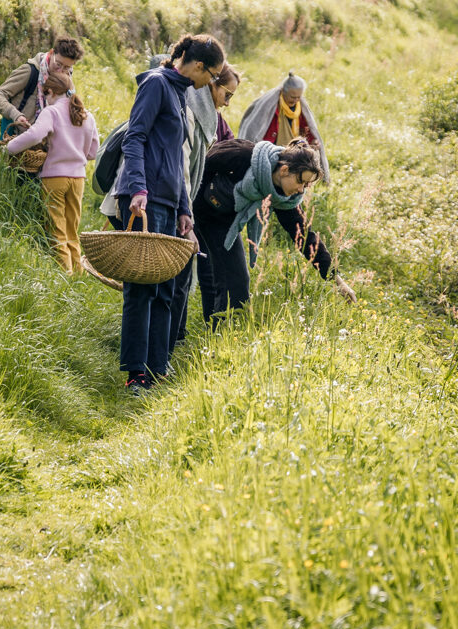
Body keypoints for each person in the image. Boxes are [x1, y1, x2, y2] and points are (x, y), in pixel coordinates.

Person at [113, 33, 226, 395]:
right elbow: (135, 138)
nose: (212, 83)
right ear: (198, 65)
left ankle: (157, 368)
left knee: (166, 289)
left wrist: (184, 209)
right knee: (141, 289)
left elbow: (177, 159)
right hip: (145, 199)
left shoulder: (179, 93)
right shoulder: (156, 85)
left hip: (169, 203)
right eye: (212, 75)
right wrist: (138, 188)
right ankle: (135, 374)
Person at [193, 139, 355, 324]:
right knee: (231, 281)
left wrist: (337, 280)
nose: (301, 190)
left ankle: (214, 333)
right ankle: (206, 332)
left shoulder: (284, 197)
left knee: (226, 278)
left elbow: (304, 236)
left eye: (306, 186)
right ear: (284, 170)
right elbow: (199, 165)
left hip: (224, 222)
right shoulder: (243, 155)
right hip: (195, 210)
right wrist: (186, 211)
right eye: (300, 181)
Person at [168, 62, 242, 355]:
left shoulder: (218, 122)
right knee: (182, 269)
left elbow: (228, 149)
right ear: (212, 84)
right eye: (227, 94)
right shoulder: (189, 112)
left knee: (207, 268)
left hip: (207, 206)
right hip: (186, 200)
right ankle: (176, 336)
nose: (228, 102)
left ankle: (212, 328)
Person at [4, 71, 99, 274]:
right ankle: (78, 273)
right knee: (72, 228)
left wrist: (10, 148)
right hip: (78, 179)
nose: (45, 99)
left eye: (45, 94)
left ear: (52, 92)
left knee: (56, 228)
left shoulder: (52, 112)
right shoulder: (87, 115)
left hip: (54, 178)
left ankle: (65, 274)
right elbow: (93, 152)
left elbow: (35, 134)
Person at [237, 71, 331, 181]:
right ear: (283, 91)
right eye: (292, 97)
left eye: (299, 97)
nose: (296, 100)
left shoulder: (300, 107)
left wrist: (312, 143)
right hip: (272, 149)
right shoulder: (271, 106)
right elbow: (257, 131)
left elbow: (307, 130)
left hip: (294, 148)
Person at [0, 36, 85, 138]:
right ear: (51, 53)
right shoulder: (30, 71)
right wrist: (16, 115)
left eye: (66, 67)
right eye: (58, 64)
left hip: (46, 142)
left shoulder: (67, 80)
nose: (60, 71)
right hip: (17, 137)